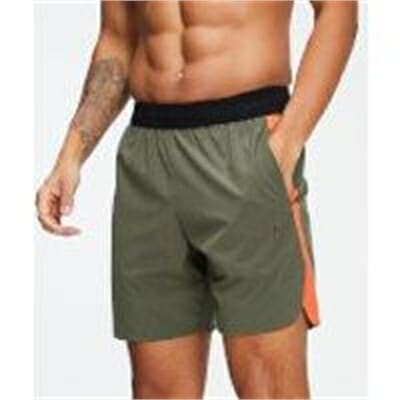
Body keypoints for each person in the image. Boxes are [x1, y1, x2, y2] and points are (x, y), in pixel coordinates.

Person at [36, 1, 358, 398]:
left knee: (269, 387)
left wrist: (287, 142)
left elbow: (338, 10)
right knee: (156, 390)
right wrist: (71, 154)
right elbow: (117, 38)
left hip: (246, 143)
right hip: (148, 158)